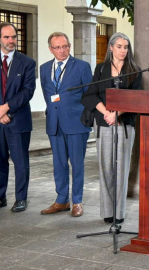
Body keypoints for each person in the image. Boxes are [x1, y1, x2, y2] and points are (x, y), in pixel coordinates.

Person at [81, 32, 142, 224]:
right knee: (106, 168)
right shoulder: (101, 69)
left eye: (126, 47)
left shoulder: (135, 70)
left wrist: (117, 114)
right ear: (111, 48)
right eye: (119, 46)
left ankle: (119, 212)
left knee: (121, 169)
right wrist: (106, 113)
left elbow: (136, 98)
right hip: (104, 123)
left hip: (124, 125)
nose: (123, 51)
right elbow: (90, 95)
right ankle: (108, 211)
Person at [39, 32, 92, 217]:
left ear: (69, 46)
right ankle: (62, 200)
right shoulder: (44, 68)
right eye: (58, 47)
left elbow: (89, 95)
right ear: (51, 49)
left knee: (77, 164)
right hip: (54, 123)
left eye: (65, 46)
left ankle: (77, 201)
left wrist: (87, 120)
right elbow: (47, 94)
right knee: (59, 163)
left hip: (76, 123)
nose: (62, 50)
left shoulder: (82, 66)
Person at [0, 22, 36, 212]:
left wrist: (6, 109)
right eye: (6, 37)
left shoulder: (27, 62)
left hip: (18, 120)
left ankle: (21, 198)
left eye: (14, 36)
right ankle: (0, 197)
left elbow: (27, 92)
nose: (11, 40)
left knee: (20, 162)